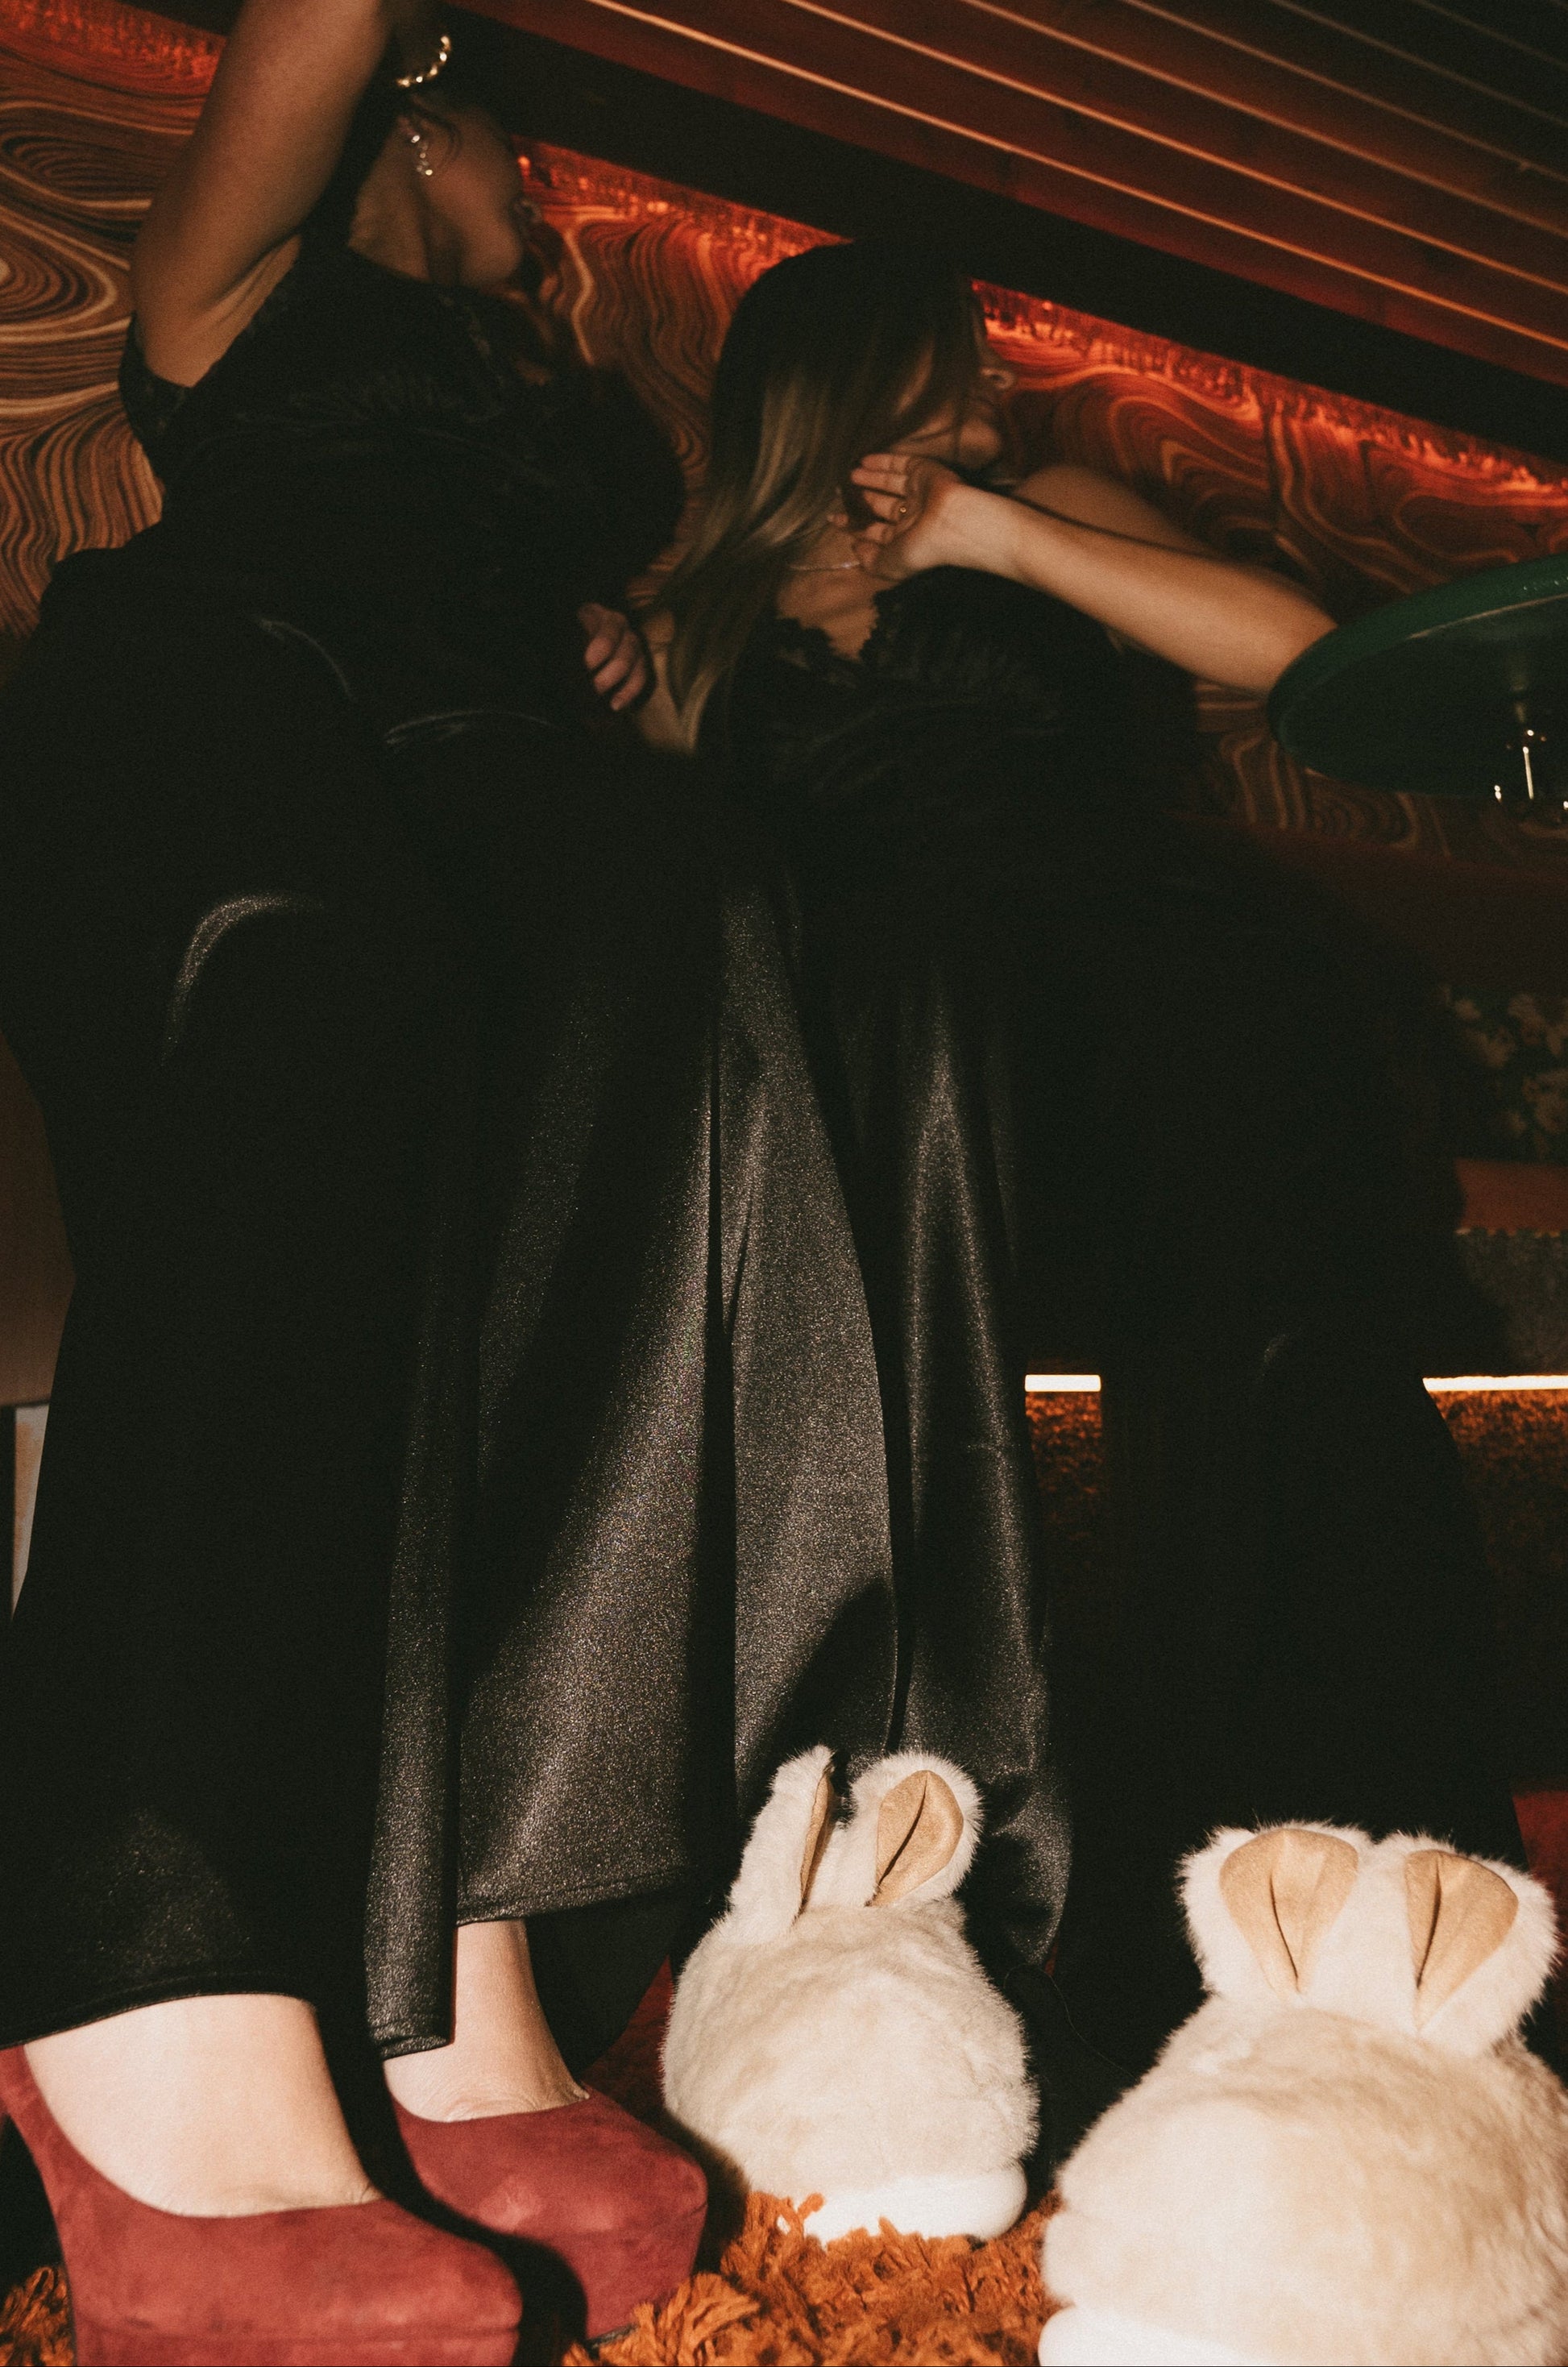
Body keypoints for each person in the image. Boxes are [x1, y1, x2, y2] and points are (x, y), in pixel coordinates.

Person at [0, 7, 906, 2356]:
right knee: (325, 1014)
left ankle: (447, 1968)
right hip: (235, 702)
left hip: (502, 789)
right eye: (525, 157)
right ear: (430, 111)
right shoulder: (248, 292)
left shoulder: (556, 416)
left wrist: (603, 638)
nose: (554, 206)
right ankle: (140, 1993)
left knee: (678, 985)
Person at [640, 241, 1529, 2081]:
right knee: (970, 1479)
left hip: (1157, 1014)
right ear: (847, 368)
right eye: (951, 360)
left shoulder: (1043, 500)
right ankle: (1022, 1921)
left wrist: (995, 538)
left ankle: (1371, 1908)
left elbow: (1296, 660)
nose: (988, 393)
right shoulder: (695, 605)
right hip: (910, 1094)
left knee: (1284, 1405)